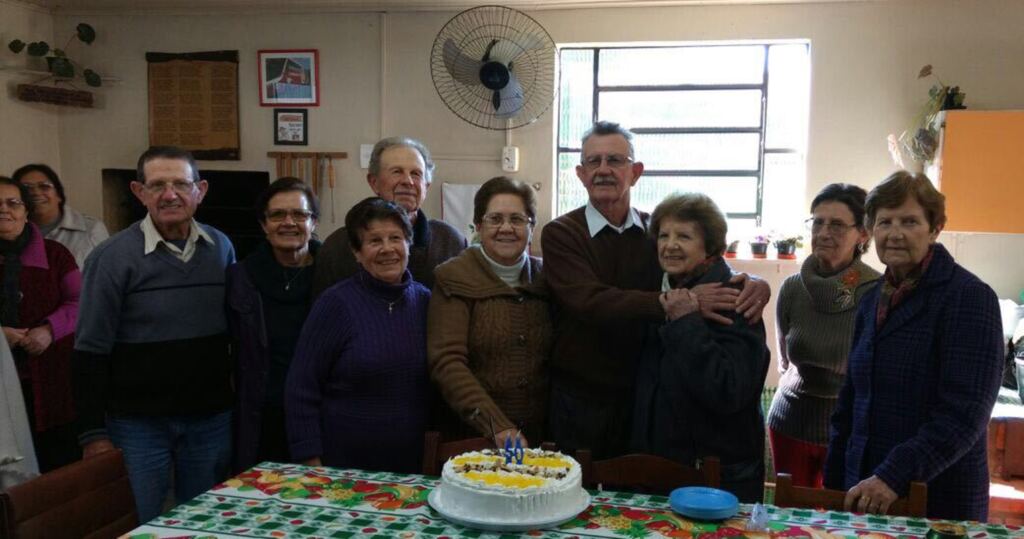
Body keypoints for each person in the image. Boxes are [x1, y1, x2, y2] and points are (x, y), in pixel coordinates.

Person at [541, 121, 771, 459]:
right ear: (580, 173)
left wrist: (749, 282)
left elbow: (700, 260)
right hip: (582, 402)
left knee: (636, 495)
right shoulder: (562, 233)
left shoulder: (656, 229)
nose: (603, 170)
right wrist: (676, 303)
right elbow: (588, 300)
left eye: (615, 160)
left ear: (635, 172)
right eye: (594, 161)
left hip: (643, 398)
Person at [824, 171, 1003, 521]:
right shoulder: (871, 299)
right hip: (863, 492)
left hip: (937, 498)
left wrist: (893, 476)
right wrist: (834, 482)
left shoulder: (968, 297)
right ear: (870, 231)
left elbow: (965, 413)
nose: (894, 233)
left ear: (934, 228)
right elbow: (852, 399)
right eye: (884, 222)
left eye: (909, 221)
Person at [73, 147, 236, 523]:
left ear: (201, 190)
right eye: (157, 185)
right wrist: (92, 434)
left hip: (209, 420)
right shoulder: (111, 258)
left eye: (181, 183)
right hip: (138, 426)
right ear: (138, 192)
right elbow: (89, 349)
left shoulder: (221, 249)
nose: (169, 194)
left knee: (207, 523)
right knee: (138, 521)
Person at [632, 193, 769, 502]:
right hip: (662, 468)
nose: (670, 245)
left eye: (684, 236)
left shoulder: (735, 298)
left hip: (717, 478)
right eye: (664, 235)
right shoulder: (666, 289)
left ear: (710, 247)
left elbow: (729, 390)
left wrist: (685, 321)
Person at [287, 197, 431, 474]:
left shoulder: (426, 302)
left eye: (395, 238)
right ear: (357, 252)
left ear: (408, 244)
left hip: (413, 464)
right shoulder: (335, 304)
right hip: (341, 463)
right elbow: (301, 387)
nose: (388, 248)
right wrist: (309, 460)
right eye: (375, 241)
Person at [766, 184, 881, 488]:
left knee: (839, 524)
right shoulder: (793, 287)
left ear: (863, 234)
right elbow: (785, 361)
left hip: (848, 431)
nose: (824, 232)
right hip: (790, 421)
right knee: (789, 521)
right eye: (818, 222)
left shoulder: (876, 292)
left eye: (838, 225)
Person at [427, 176, 549, 447]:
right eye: (495, 219)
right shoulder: (453, 278)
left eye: (517, 219)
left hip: (538, 439)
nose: (506, 228)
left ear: (532, 227)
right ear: (479, 226)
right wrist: (497, 426)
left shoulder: (547, 278)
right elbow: (447, 363)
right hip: (470, 440)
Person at [227, 177, 320, 472]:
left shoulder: (332, 274)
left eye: (299, 214)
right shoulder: (239, 277)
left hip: (320, 417)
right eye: (277, 215)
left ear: (313, 222)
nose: (288, 222)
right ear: (264, 224)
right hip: (260, 416)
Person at [313, 137, 466, 296]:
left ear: (426, 186)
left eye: (416, 174)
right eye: (397, 172)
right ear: (374, 182)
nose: (408, 181)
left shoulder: (451, 242)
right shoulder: (338, 246)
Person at [0, 176, 81, 472]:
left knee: (58, 471)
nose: (4, 210)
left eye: (13, 203)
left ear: (26, 211)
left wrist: (48, 330)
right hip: (2, 391)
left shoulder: (55, 254)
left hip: (52, 385)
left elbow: (79, 301)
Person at [13, 163, 109, 269]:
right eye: (26, 188)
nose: (35, 192)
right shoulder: (9, 229)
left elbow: (108, 273)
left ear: (59, 195)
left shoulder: (91, 229)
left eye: (44, 186)